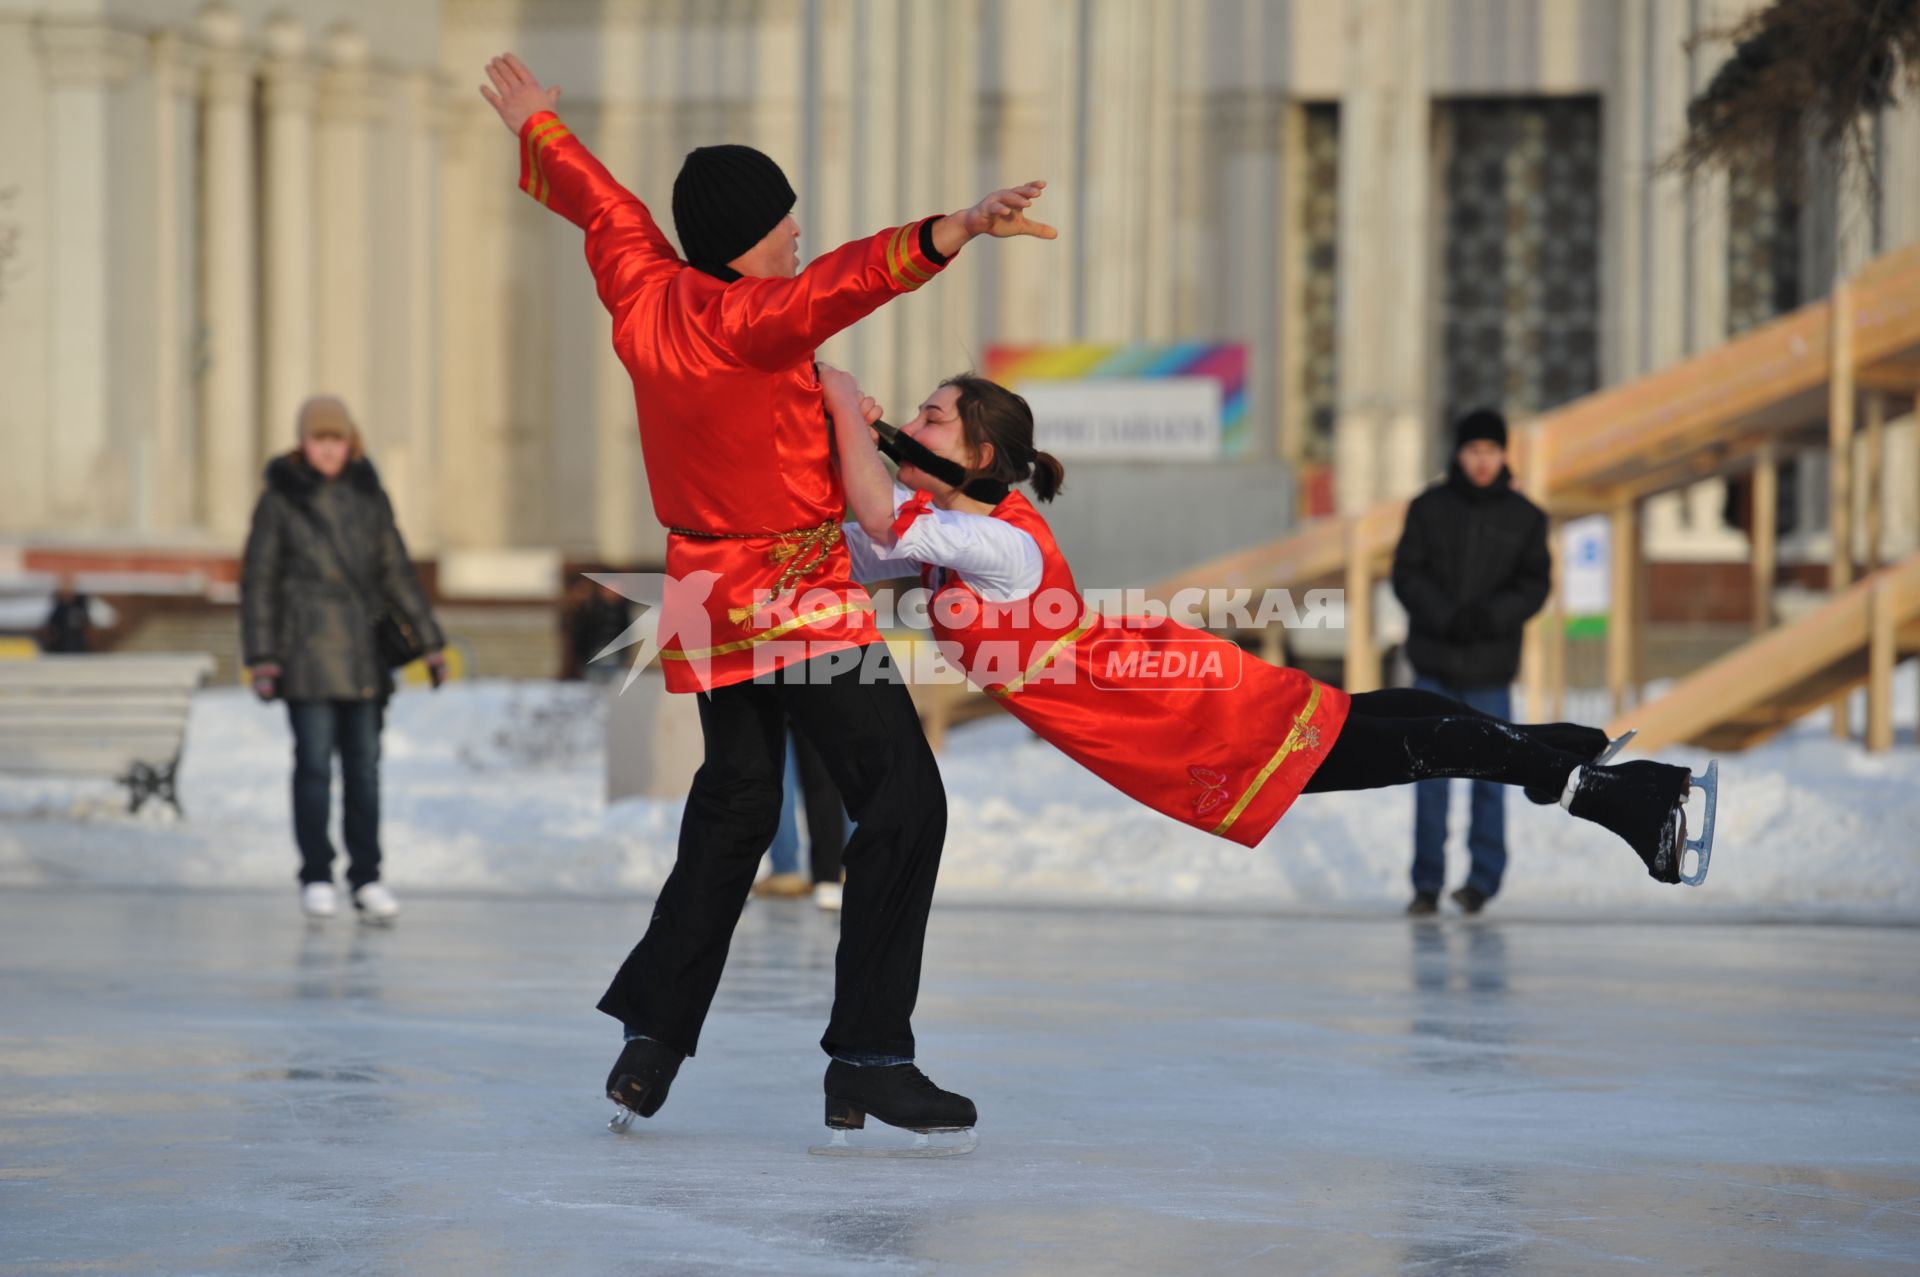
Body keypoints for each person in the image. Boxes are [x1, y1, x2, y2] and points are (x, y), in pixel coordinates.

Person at [478, 53, 1056, 1146]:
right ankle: (873, 1056)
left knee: (737, 804)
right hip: (794, 598)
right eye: (784, 220)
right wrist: (962, 225)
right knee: (904, 800)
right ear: (748, 234)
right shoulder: (753, 320)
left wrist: (542, 127)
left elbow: (609, 211)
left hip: (707, 594)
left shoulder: (644, 293)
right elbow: (851, 277)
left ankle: (651, 1041)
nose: (797, 233)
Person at [821, 369, 1713, 891]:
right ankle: (1577, 758)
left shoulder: (993, 542)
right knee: (1371, 723)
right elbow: (855, 536)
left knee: (1385, 743)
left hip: (1170, 709)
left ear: (977, 456)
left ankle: (1602, 787)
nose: (917, 422)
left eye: (935, 415)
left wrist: (839, 400)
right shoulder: (953, 542)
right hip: (1153, 697)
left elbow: (877, 505)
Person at [240, 396, 448, 923]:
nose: (327, 449)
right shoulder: (280, 501)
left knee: (364, 771)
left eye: (335, 439)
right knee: (313, 769)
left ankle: (367, 876)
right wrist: (263, 657)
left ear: (349, 442)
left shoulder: (368, 496)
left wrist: (431, 641)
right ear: (303, 444)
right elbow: (259, 585)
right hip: (304, 654)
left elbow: (396, 572)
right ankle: (316, 874)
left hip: (362, 655)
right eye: (318, 439)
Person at [1390, 409, 1549, 916]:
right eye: (1473, 450)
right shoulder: (1428, 509)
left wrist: (1489, 617)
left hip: (1491, 668)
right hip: (1435, 664)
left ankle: (1482, 881)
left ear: (1504, 455)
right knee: (1429, 780)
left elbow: (1533, 584)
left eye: (1491, 450)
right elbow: (1407, 575)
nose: (1482, 461)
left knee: (1492, 779)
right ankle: (1426, 884)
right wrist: (1447, 616)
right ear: (1459, 454)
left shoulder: (1526, 517)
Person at [39, 575, 93, 654]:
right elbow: (50, 629)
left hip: (78, 650)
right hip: (60, 650)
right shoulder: (57, 605)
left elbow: (88, 629)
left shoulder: (80, 604)